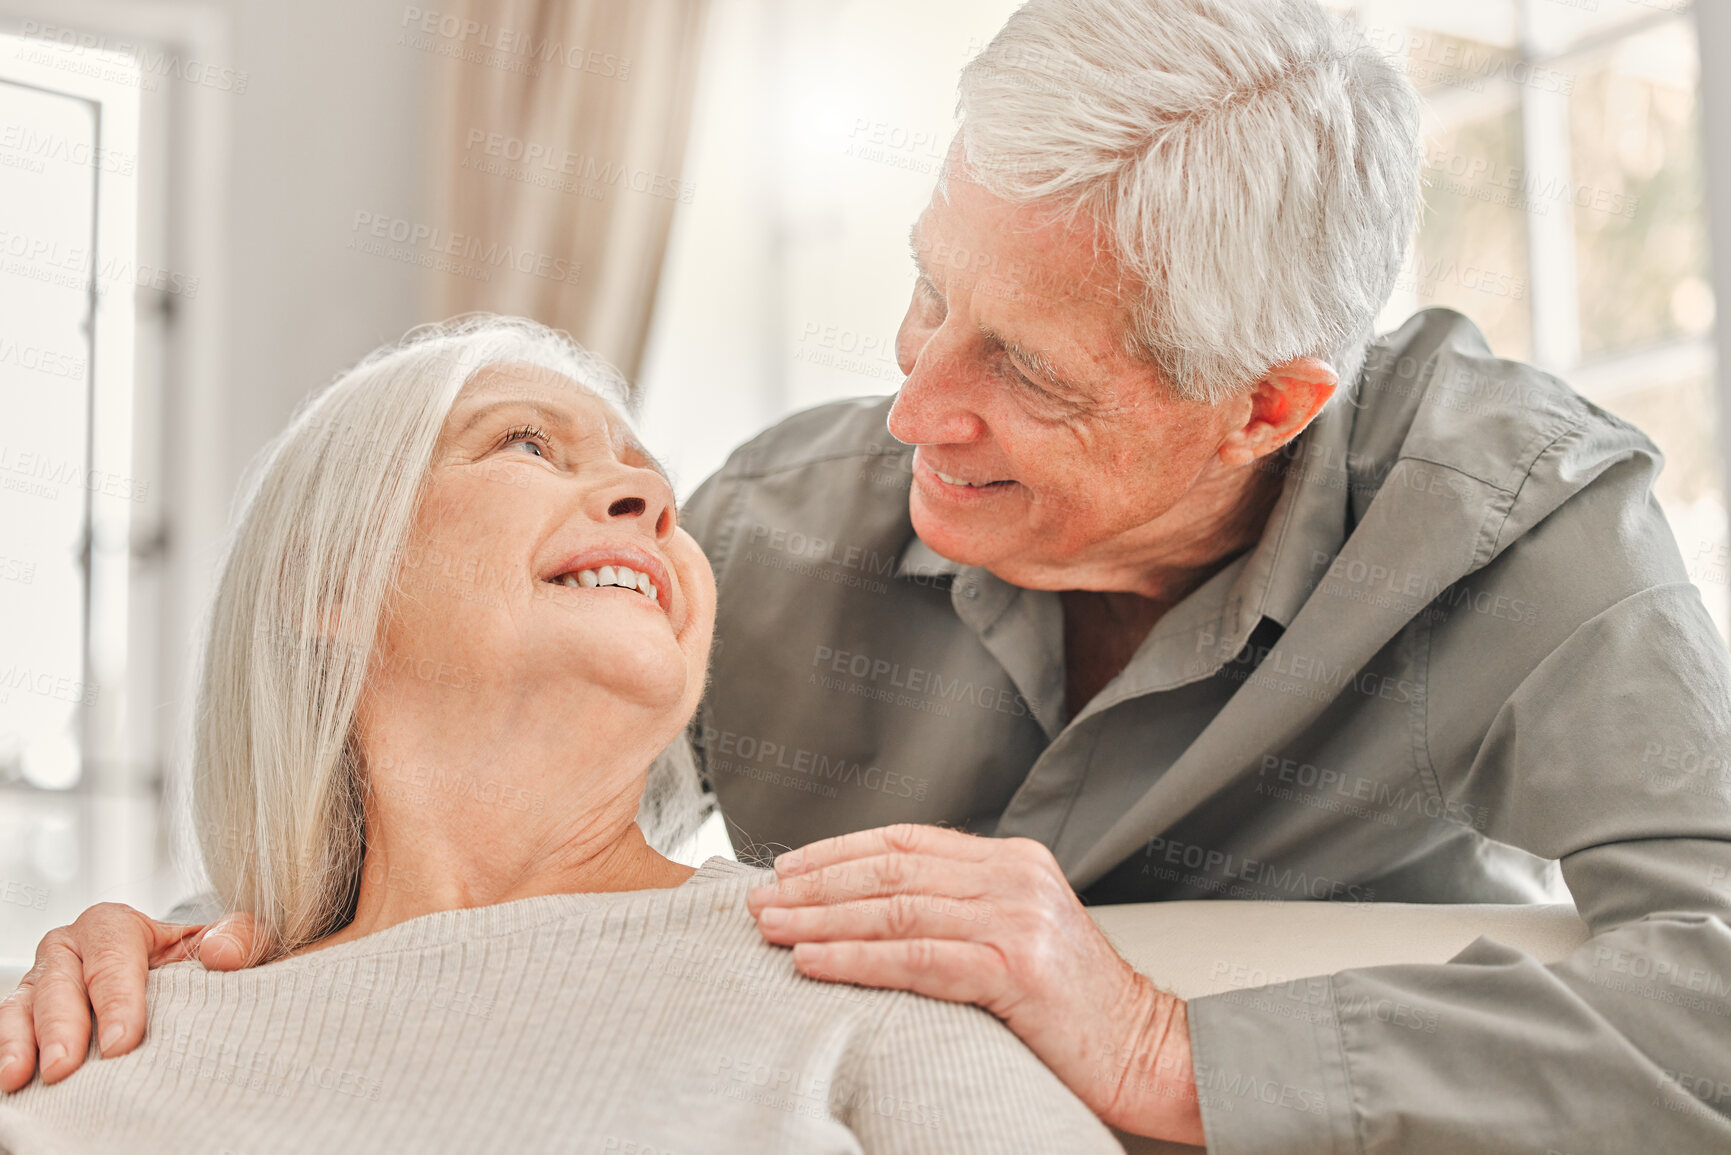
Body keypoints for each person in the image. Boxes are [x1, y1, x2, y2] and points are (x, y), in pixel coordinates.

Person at [8, 0, 1731, 1149]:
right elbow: (485, 801)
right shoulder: (776, 528)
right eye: (927, 290)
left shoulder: (1518, 526)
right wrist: (192, 940)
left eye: (1025, 374)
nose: (914, 402)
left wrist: (1153, 1045)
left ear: (1265, 407)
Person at [0, 318, 1123, 1155]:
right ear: (330, 577)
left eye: (653, 483)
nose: (644, 499)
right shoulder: (93, 1026)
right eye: (528, 446)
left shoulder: (857, 969)